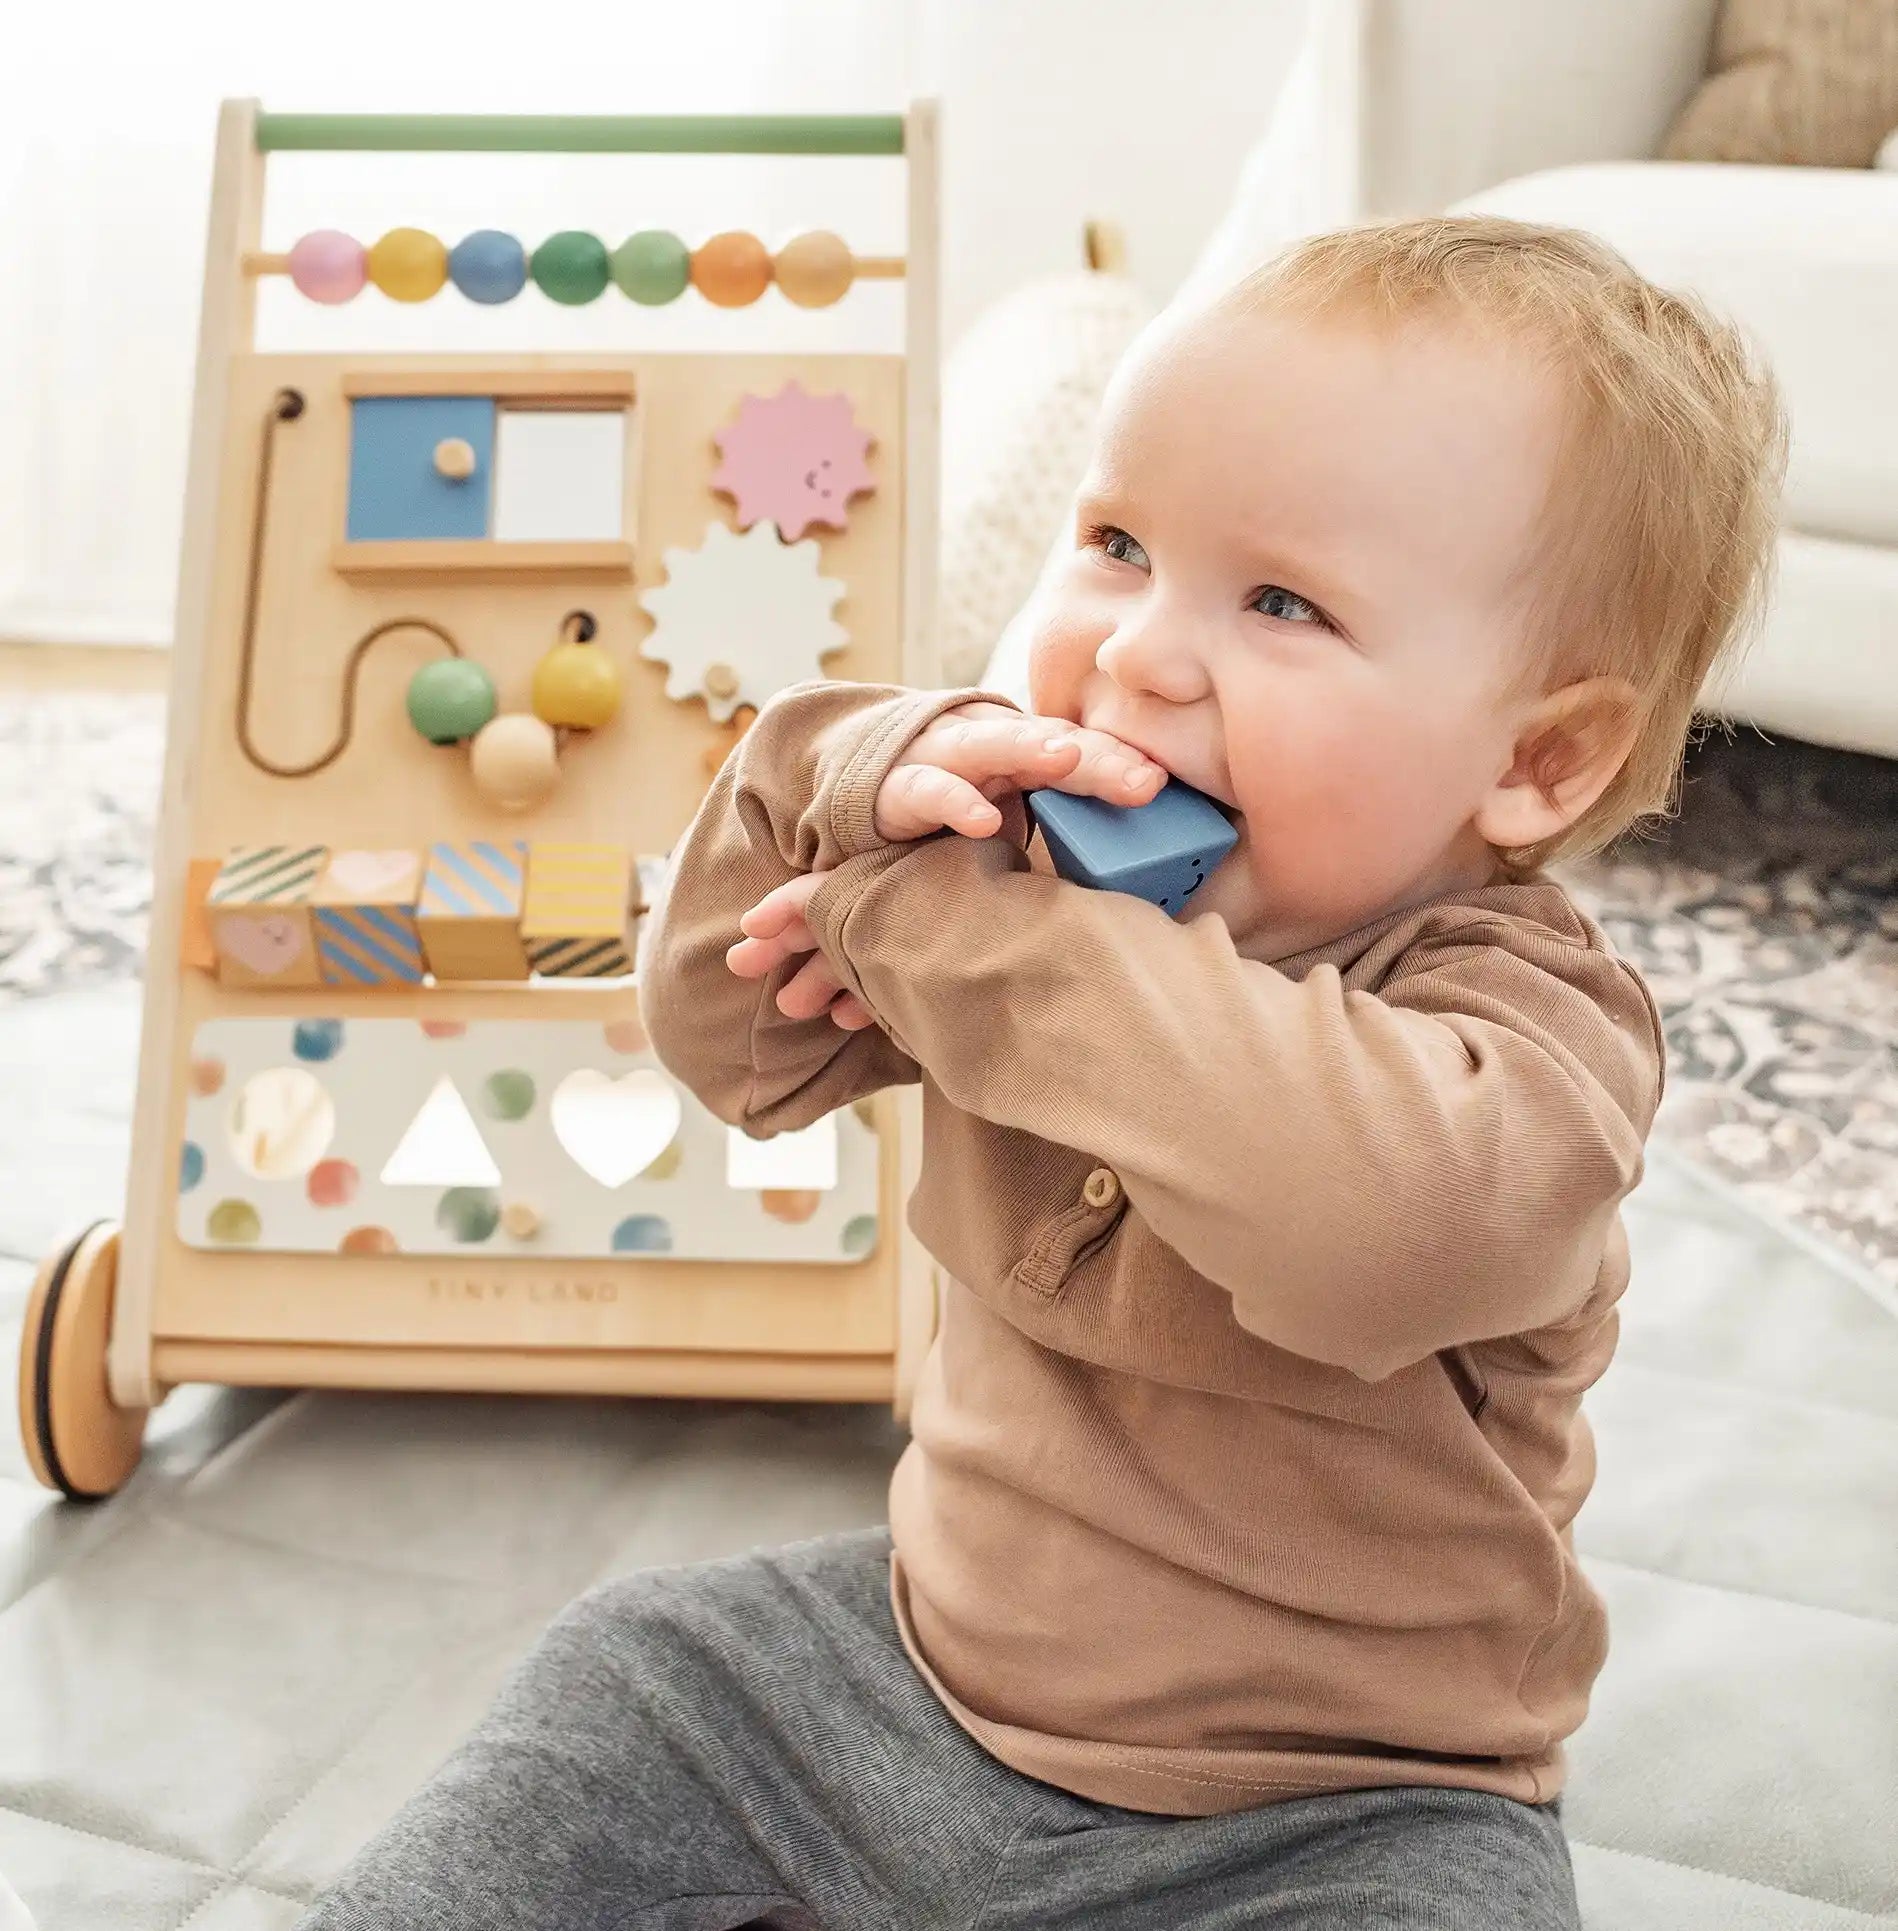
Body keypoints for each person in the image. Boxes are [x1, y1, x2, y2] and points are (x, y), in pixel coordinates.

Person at [300, 216, 1786, 1929]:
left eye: (1281, 602)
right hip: (904, 1667)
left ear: (1535, 757)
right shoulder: (989, 848)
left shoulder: (1526, 1033)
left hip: (1333, 1806)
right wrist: (828, 778)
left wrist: (953, 934)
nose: (1140, 652)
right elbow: (728, 1048)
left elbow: (1371, 1230)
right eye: (1116, 541)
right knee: (626, 1670)